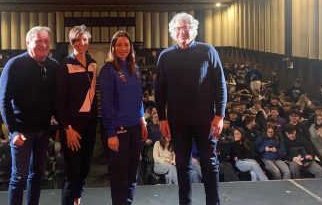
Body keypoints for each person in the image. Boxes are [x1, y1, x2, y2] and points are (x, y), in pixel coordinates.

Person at [155, 12, 227, 205]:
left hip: (206, 120)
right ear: (173, 32)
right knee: (182, 165)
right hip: (178, 122)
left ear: (194, 30)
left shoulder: (208, 51)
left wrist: (220, 115)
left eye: (187, 27)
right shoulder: (165, 56)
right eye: (179, 28)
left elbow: (220, 85)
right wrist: (162, 118)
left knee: (209, 164)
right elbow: (159, 91)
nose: (183, 31)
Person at [0, 26, 58, 205]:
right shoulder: (15, 64)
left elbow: (56, 98)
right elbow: (3, 100)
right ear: (28, 43)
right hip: (22, 131)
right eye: (39, 40)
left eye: (46, 41)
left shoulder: (53, 65)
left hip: (43, 130)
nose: (43, 44)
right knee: (19, 177)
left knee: (37, 175)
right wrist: (13, 131)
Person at [100, 30, 147, 205]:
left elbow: (138, 97)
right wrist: (111, 133)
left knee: (132, 174)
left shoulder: (135, 69)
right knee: (119, 177)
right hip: (117, 129)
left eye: (126, 45)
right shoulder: (108, 70)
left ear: (131, 47)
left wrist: (142, 119)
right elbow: (107, 104)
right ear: (113, 47)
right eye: (119, 45)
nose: (123, 48)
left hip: (135, 126)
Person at [56, 25, 98, 205]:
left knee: (84, 170)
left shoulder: (93, 63)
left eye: (85, 39)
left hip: (89, 125)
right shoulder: (65, 64)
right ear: (72, 41)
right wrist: (67, 128)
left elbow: (93, 95)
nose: (82, 43)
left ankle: (77, 200)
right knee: (72, 173)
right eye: (77, 40)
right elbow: (59, 100)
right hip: (72, 127)